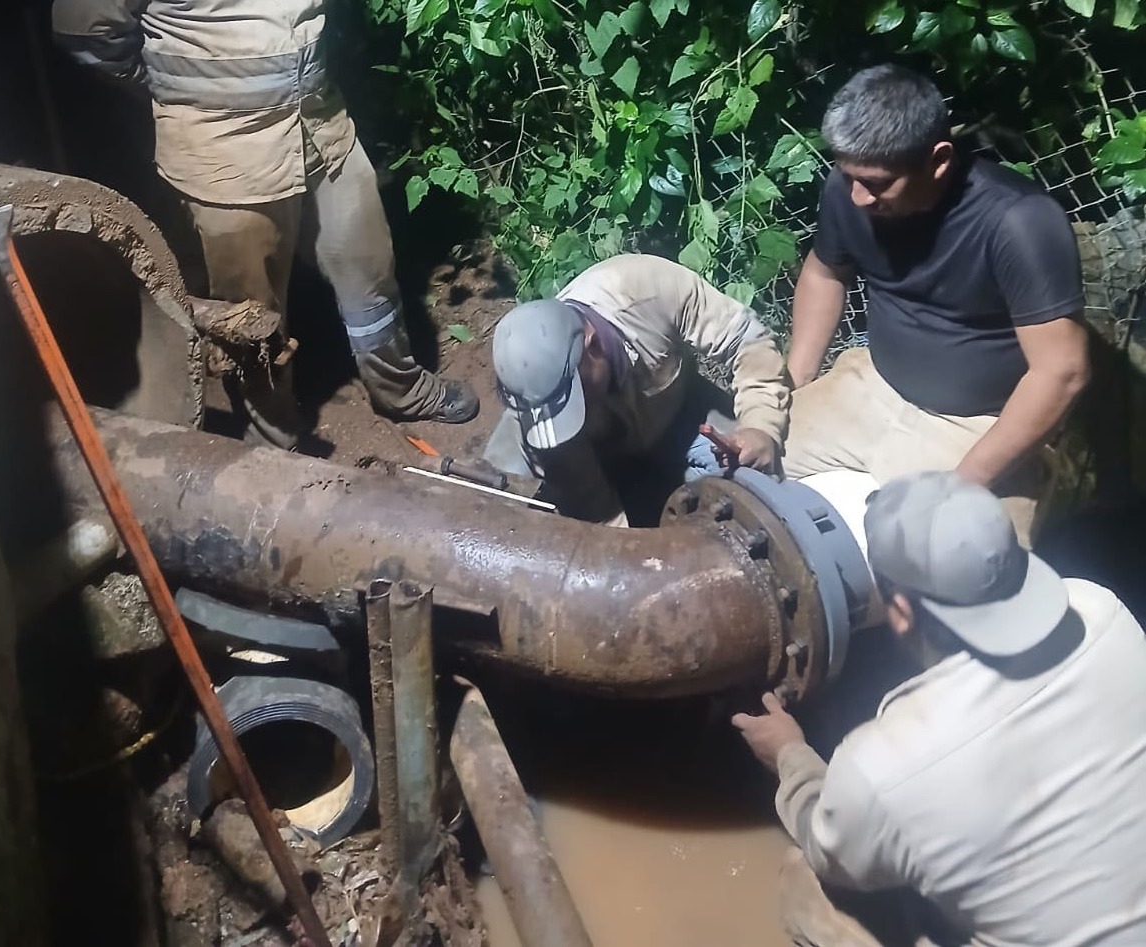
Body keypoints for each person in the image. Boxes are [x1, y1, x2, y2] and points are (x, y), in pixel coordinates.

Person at [733, 470, 1146, 947]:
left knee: (808, 886)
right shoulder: (1098, 607)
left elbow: (829, 850)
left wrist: (790, 755)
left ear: (902, 612)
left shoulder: (882, 765)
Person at [51, 0, 478, 449]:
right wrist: (166, 86)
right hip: (224, 153)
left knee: (369, 267)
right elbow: (83, 29)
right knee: (252, 317)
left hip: (321, 127)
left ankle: (401, 388)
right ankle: (273, 440)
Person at [782, 64, 1090, 543]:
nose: (859, 197)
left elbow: (1062, 373)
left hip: (976, 428)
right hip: (869, 385)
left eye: (877, 182)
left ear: (938, 160)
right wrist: (792, 386)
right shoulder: (852, 187)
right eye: (849, 176)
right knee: (745, 466)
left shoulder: (1019, 222)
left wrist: (961, 486)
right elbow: (825, 273)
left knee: (962, 564)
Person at [483, 253, 790, 525]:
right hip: (595, 452)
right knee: (499, 502)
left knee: (756, 476)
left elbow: (749, 342)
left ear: (592, 347)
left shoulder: (647, 290)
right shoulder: (539, 406)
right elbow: (593, 506)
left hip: (677, 415)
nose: (573, 411)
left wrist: (761, 426)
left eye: (573, 398)